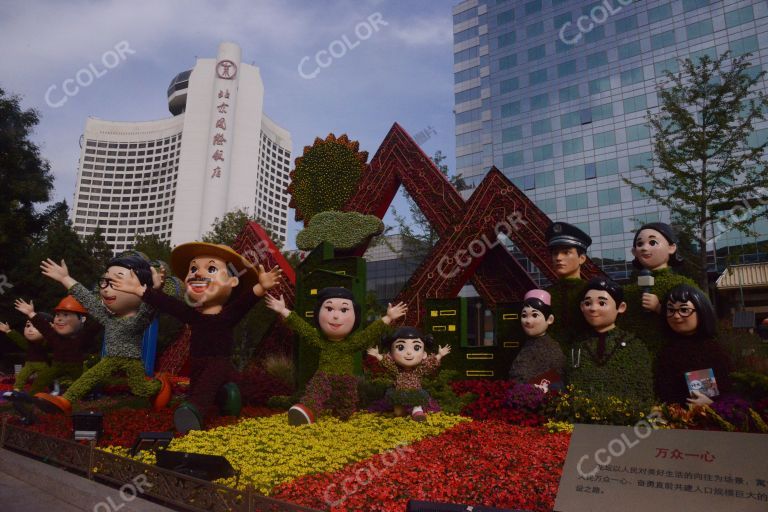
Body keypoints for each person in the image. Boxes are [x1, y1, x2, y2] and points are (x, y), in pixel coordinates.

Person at [111, 242, 282, 433]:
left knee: (200, 395)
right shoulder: (193, 317)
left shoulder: (228, 315)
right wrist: (139, 291)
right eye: (193, 268)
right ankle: (228, 394)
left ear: (232, 282)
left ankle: (193, 413)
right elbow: (168, 304)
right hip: (197, 361)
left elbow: (245, 302)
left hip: (219, 362)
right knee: (199, 387)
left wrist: (261, 286)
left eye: (211, 268)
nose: (198, 274)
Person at [34, 255, 170, 414]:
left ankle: (160, 385)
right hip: (110, 358)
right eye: (105, 281)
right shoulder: (107, 317)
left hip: (131, 360)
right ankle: (65, 401)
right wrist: (65, 278)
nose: (105, 288)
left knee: (141, 389)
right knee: (89, 377)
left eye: (116, 282)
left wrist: (154, 291)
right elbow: (88, 300)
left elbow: (148, 309)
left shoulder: (139, 319)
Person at [266, 287, 406, 425]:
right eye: (329, 309)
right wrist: (283, 310)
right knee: (315, 394)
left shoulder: (352, 343)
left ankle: (342, 415)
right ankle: (306, 411)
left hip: (345, 381)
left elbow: (370, 333)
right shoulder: (320, 339)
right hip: (323, 377)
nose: (335, 316)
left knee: (345, 407)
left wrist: (388, 318)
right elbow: (303, 327)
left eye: (344, 310)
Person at [567, 278, 654, 404]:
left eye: (602, 303)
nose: (593, 308)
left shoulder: (633, 344)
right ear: (581, 307)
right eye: (587, 303)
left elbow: (642, 389)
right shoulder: (578, 345)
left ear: (621, 307)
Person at [620, 222, 698, 355]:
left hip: (674, 351)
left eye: (652, 242)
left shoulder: (682, 285)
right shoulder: (628, 292)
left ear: (671, 248)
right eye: (639, 244)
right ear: (634, 252)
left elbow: (698, 318)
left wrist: (659, 308)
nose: (644, 248)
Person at [655, 284, 732, 406]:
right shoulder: (667, 351)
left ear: (702, 311)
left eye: (684, 310)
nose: (676, 316)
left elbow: (729, 388)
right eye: (670, 310)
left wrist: (712, 404)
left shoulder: (713, 351)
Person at [13, 297, 101, 396]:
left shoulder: (82, 337)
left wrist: (105, 315)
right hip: (57, 365)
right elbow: (43, 326)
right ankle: (32, 396)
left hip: (76, 366)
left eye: (66, 315)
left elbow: (93, 329)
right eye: (57, 315)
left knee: (86, 380)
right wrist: (31, 314)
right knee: (42, 379)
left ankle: (92, 394)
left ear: (82, 319)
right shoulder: (54, 337)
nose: (59, 318)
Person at [367, 326, 450, 421]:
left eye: (416, 347)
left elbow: (429, 365)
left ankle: (417, 411)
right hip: (399, 392)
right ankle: (402, 413)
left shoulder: (418, 371)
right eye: (401, 347)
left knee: (417, 404)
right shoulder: (396, 371)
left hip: (415, 392)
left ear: (424, 354)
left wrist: (439, 355)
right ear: (391, 354)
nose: (409, 353)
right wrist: (378, 355)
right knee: (398, 413)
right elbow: (388, 364)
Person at [544, 222, 592, 351]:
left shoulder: (592, 292)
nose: (559, 258)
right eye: (555, 253)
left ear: (581, 258)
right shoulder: (545, 296)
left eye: (566, 252)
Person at [508, 289, 566, 391]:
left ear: (549, 319)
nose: (528, 321)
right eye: (524, 315)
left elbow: (557, 380)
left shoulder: (553, 349)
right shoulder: (526, 345)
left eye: (535, 315)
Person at [0, 312, 52, 393]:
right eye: (28, 325)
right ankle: (16, 392)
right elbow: (19, 340)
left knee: (44, 378)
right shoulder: (28, 345)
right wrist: (8, 331)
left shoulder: (45, 342)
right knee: (21, 377)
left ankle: (42, 392)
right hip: (29, 364)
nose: (30, 329)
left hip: (42, 364)